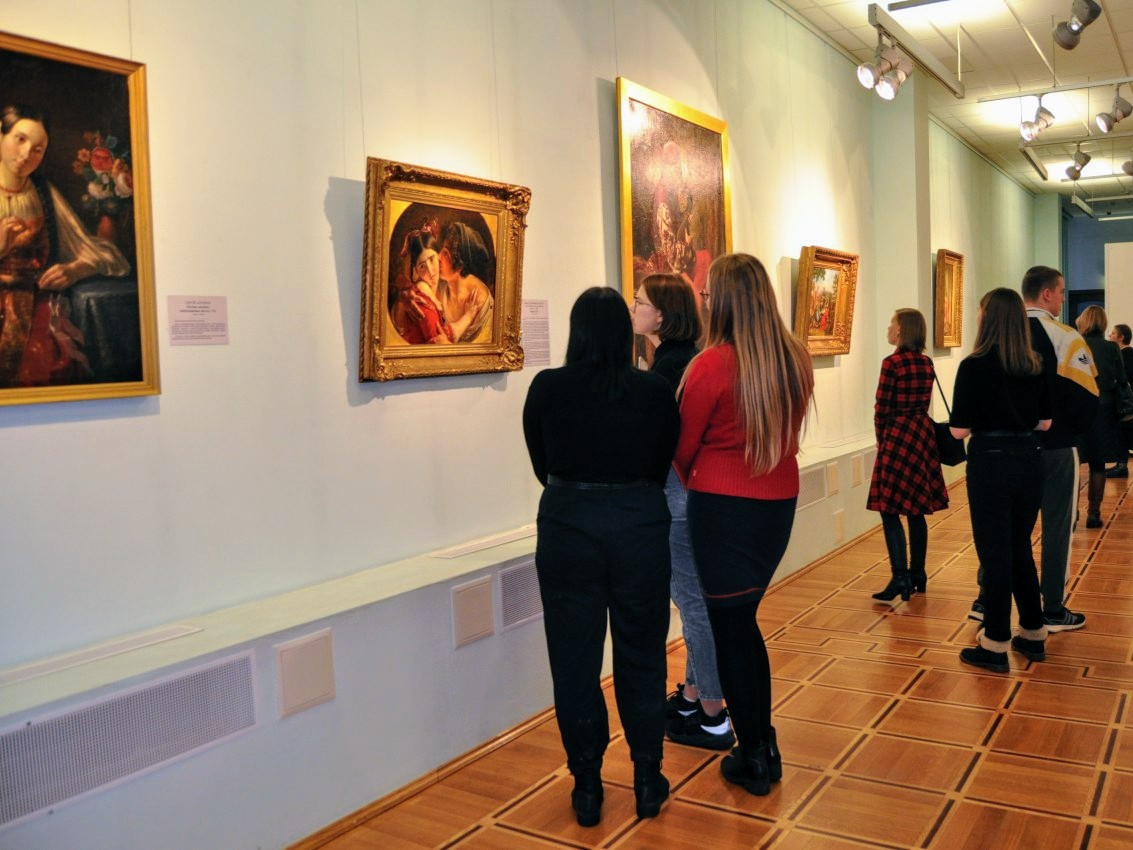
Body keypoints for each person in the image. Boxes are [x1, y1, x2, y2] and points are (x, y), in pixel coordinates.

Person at [522, 287, 678, 827]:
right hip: (638, 525)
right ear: (620, 332)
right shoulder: (654, 391)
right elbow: (660, 462)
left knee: (574, 660)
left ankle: (587, 783)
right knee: (643, 653)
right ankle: (647, 776)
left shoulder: (548, 387)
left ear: (577, 331)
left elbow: (542, 464)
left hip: (569, 526)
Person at [673, 253, 814, 796]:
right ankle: (762, 744)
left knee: (731, 629)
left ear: (724, 302)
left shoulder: (710, 365)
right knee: (742, 624)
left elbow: (682, 447)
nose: (705, 303)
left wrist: (705, 478)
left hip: (722, 506)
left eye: (708, 295)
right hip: (776, 504)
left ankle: (755, 754)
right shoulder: (794, 358)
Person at [631, 272, 734, 752]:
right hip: (695, 494)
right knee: (698, 603)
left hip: (678, 495)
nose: (633, 308)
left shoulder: (670, 368)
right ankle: (694, 697)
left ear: (661, 316)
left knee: (693, 604)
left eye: (640, 301)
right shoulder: (683, 359)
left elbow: (665, 443)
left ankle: (714, 714)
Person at [951, 289, 1052, 672]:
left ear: (988, 318)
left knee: (995, 554)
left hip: (990, 463)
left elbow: (959, 430)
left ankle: (994, 643)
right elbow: (1045, 423)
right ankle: (1033, 633)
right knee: (1019, 547)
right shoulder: (1034, 364)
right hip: (1029, 460)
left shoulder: (974, 366)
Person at [0, 104, 129, 386]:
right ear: (1, 134)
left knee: (49, 367)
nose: (26, 154)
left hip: (36, 305)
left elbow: (101, 253)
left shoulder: (43, 193)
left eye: (38, 149)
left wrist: (75, 269)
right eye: (20, 139)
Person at [1019, 266, 1097, 633]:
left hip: (1011, 449)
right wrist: (1069, 430)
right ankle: (1051, 607)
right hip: (1056, 447)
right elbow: (1087, 397)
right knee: (1057, 527)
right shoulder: (1065, 336)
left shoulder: (1000, 336)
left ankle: (986, 600)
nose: (1064, 299)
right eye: (1062, 292)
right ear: (1047, 293)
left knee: (1009, 527)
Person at [867, 309, 950, 601]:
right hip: (921, 435)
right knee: (916, 510)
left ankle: (899, 577)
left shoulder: (892, 364)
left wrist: (881, 440)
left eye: (892, 324)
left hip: (897, 436)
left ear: (902, 330)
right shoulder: (926, 363)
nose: (888, 328)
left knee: (889, 509)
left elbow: (881, 408)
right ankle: (918, 574)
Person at [1076, 306, 1125, 527]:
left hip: (1078, 409)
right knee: (1098, 464)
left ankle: (1072, 512)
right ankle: (1094, 514)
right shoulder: (1111, 347)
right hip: (1104, 409)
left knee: (1074, 462)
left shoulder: (1076, 345)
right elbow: (1121, 379)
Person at [389, 223, 453, 344]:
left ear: (438, 256)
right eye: (422, 266)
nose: (430, 271)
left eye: (432, 259)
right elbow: (437, 343)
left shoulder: (438, 291)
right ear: (416, 271)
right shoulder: (420, 300)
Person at [437, 221, 493, 343]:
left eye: (445, 254)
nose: (438, 256)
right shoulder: (440, 288)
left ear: (460, 263)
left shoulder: (480, 300)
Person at [1105, 322, 1133, 477]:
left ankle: (1122, 465)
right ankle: (1121, 465)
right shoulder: (1125, 354)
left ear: (1121, 337)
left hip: (1126, 403)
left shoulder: (1125, 355)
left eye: (1113, 333)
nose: (1109, 336)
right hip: (1126, 402)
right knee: (1122, 433)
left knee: (1124, 432)